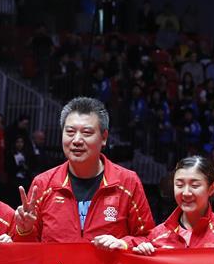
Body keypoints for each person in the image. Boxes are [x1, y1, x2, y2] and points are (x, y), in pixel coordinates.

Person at [13, 96, 154, 248]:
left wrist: (123, 243)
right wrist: (24, 230)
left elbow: (148, 239)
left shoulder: (127, 181)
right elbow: (28, 252)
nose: (77, 140)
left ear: (104, 137)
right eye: (70, 132)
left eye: (87, 132)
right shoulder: (43, 184)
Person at [133, 155, 214, 254]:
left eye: (194, 185)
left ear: (211, 188)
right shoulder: (156, 236)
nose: (186, 193)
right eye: (179, 185)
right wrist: (143, 253)